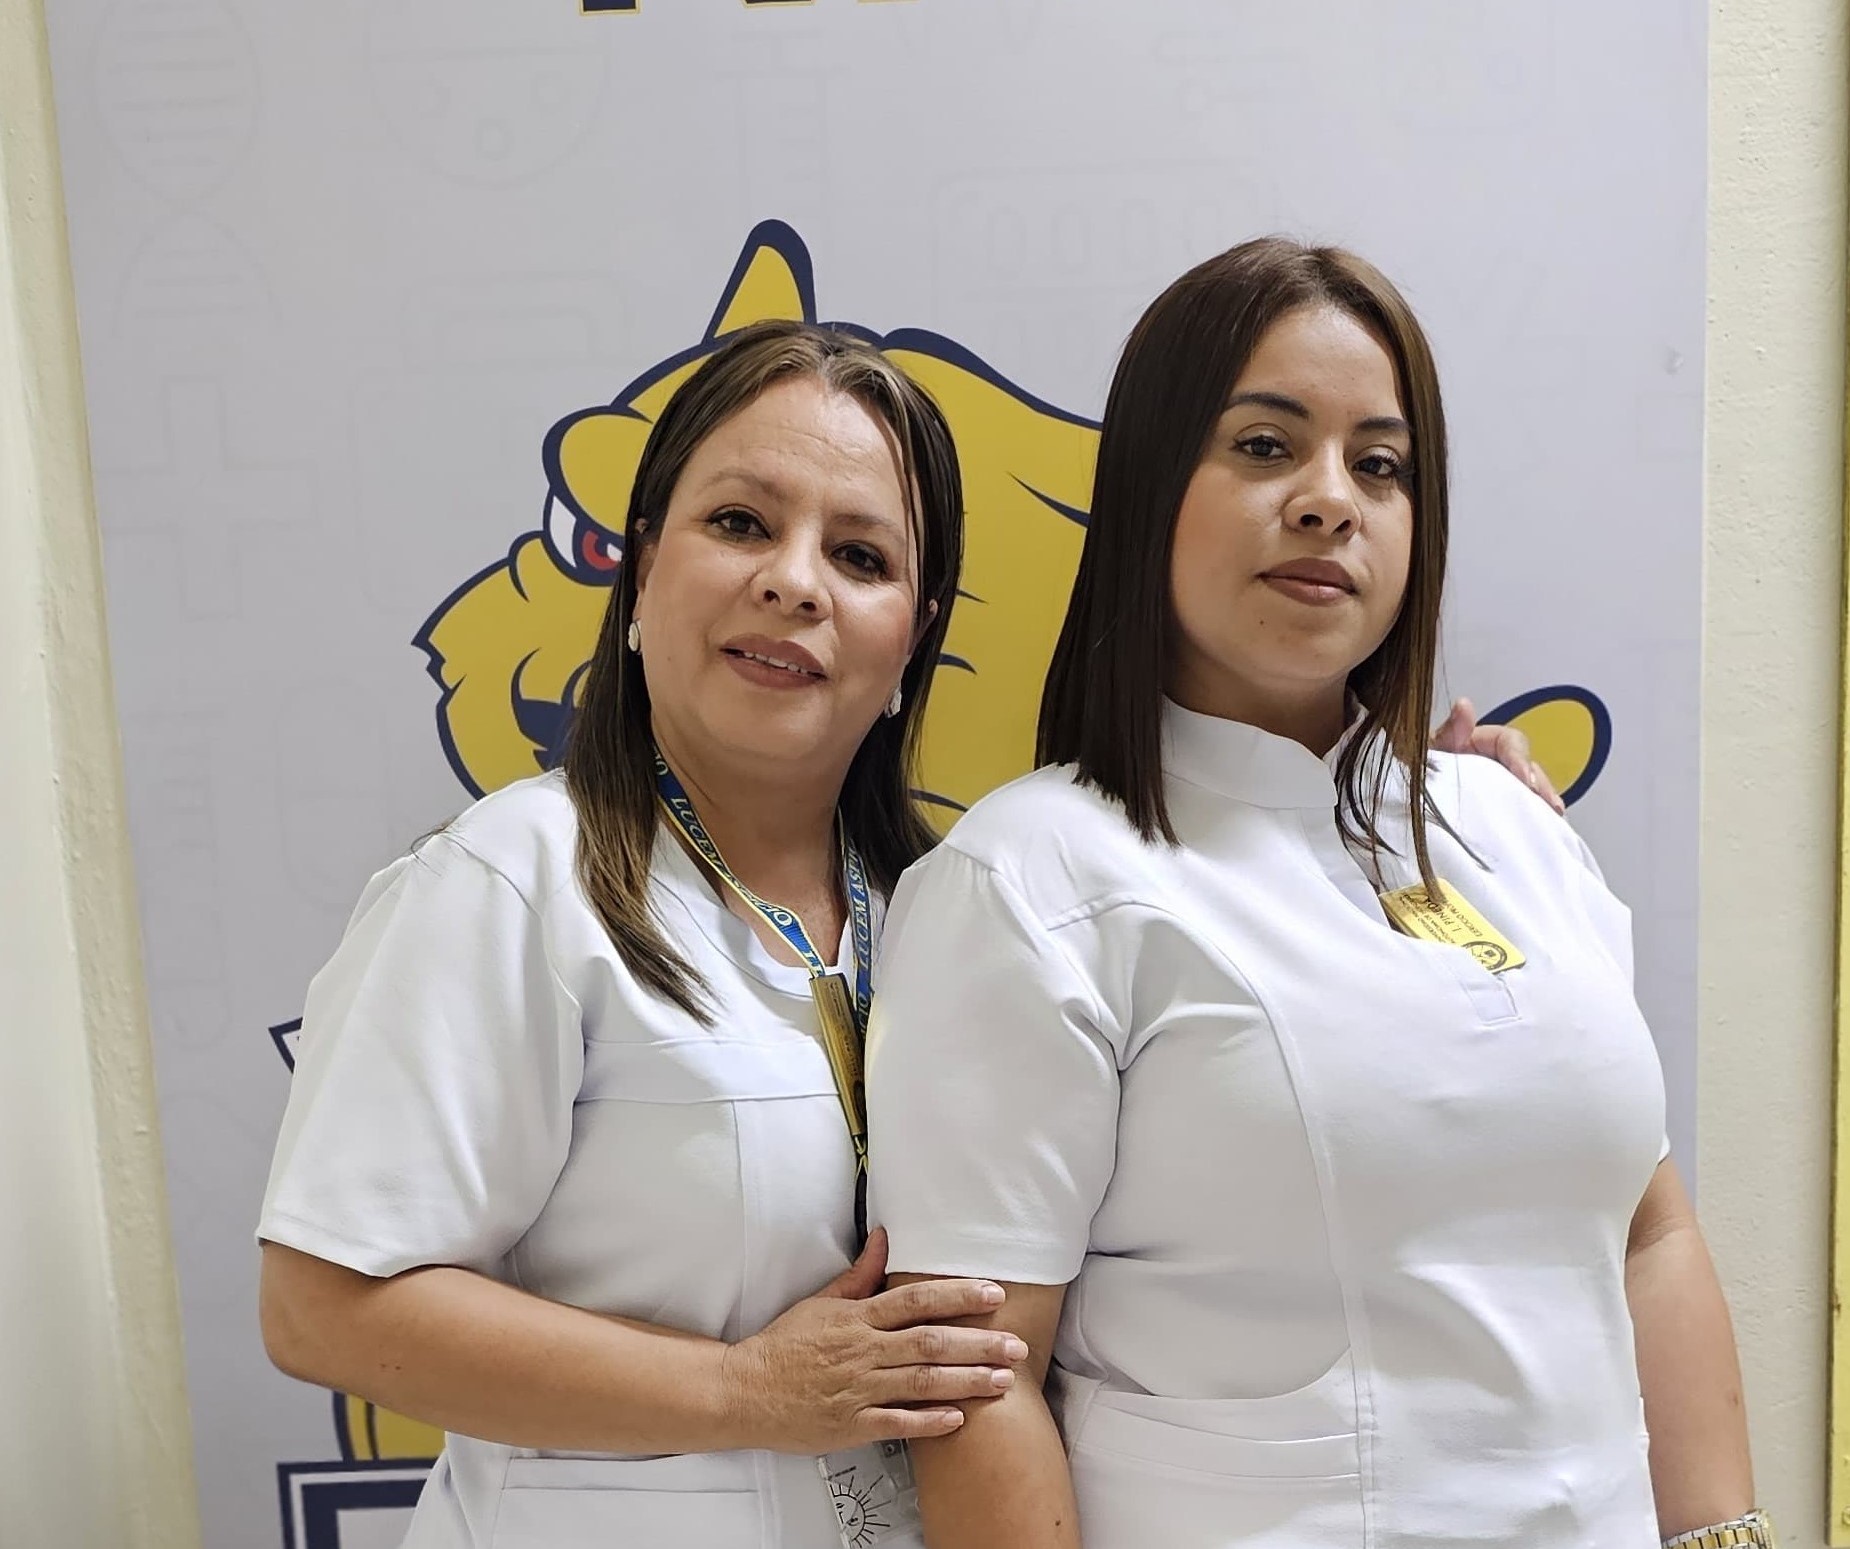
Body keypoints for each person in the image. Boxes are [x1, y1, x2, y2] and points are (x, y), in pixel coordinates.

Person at [256, 313, 1555, 1549]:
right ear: (643, 572)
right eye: (739, 524)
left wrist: (1427, 822)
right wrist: (741, 1390)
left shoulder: (950, 906)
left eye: (862, 557)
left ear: (914, 638)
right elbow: (324, 1307)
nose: (792, 582)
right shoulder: (511, 883)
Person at [865, 239, 1763, 1549]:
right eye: (1263, 446)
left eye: (1379, 465)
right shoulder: (1031, 877)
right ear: (1150, 488)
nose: (1330, 500)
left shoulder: (1509, 832)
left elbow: (1649, 1235)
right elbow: (977, 1380)